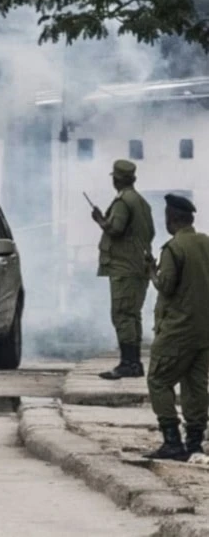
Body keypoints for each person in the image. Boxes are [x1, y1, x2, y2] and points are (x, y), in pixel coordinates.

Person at [143, 195, 209, 461]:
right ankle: (194, 443)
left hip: (178, 329)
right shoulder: (205, 243)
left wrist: (151, 272)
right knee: (195, 386)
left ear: (172, 218)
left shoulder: (173, 248)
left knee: (158, 380)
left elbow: (167, 286)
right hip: (204, 329)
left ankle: (172, 441)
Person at [93, 159, 155, 380]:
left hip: (124, 267)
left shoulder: (123, 202)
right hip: (138, 266)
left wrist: (101, 220)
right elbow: (151, 232)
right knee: (132, 315)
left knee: (122, 315)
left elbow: (116, 229)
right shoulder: (141, 202)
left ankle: (129, 363)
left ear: (117, 180)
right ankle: (133, 362)